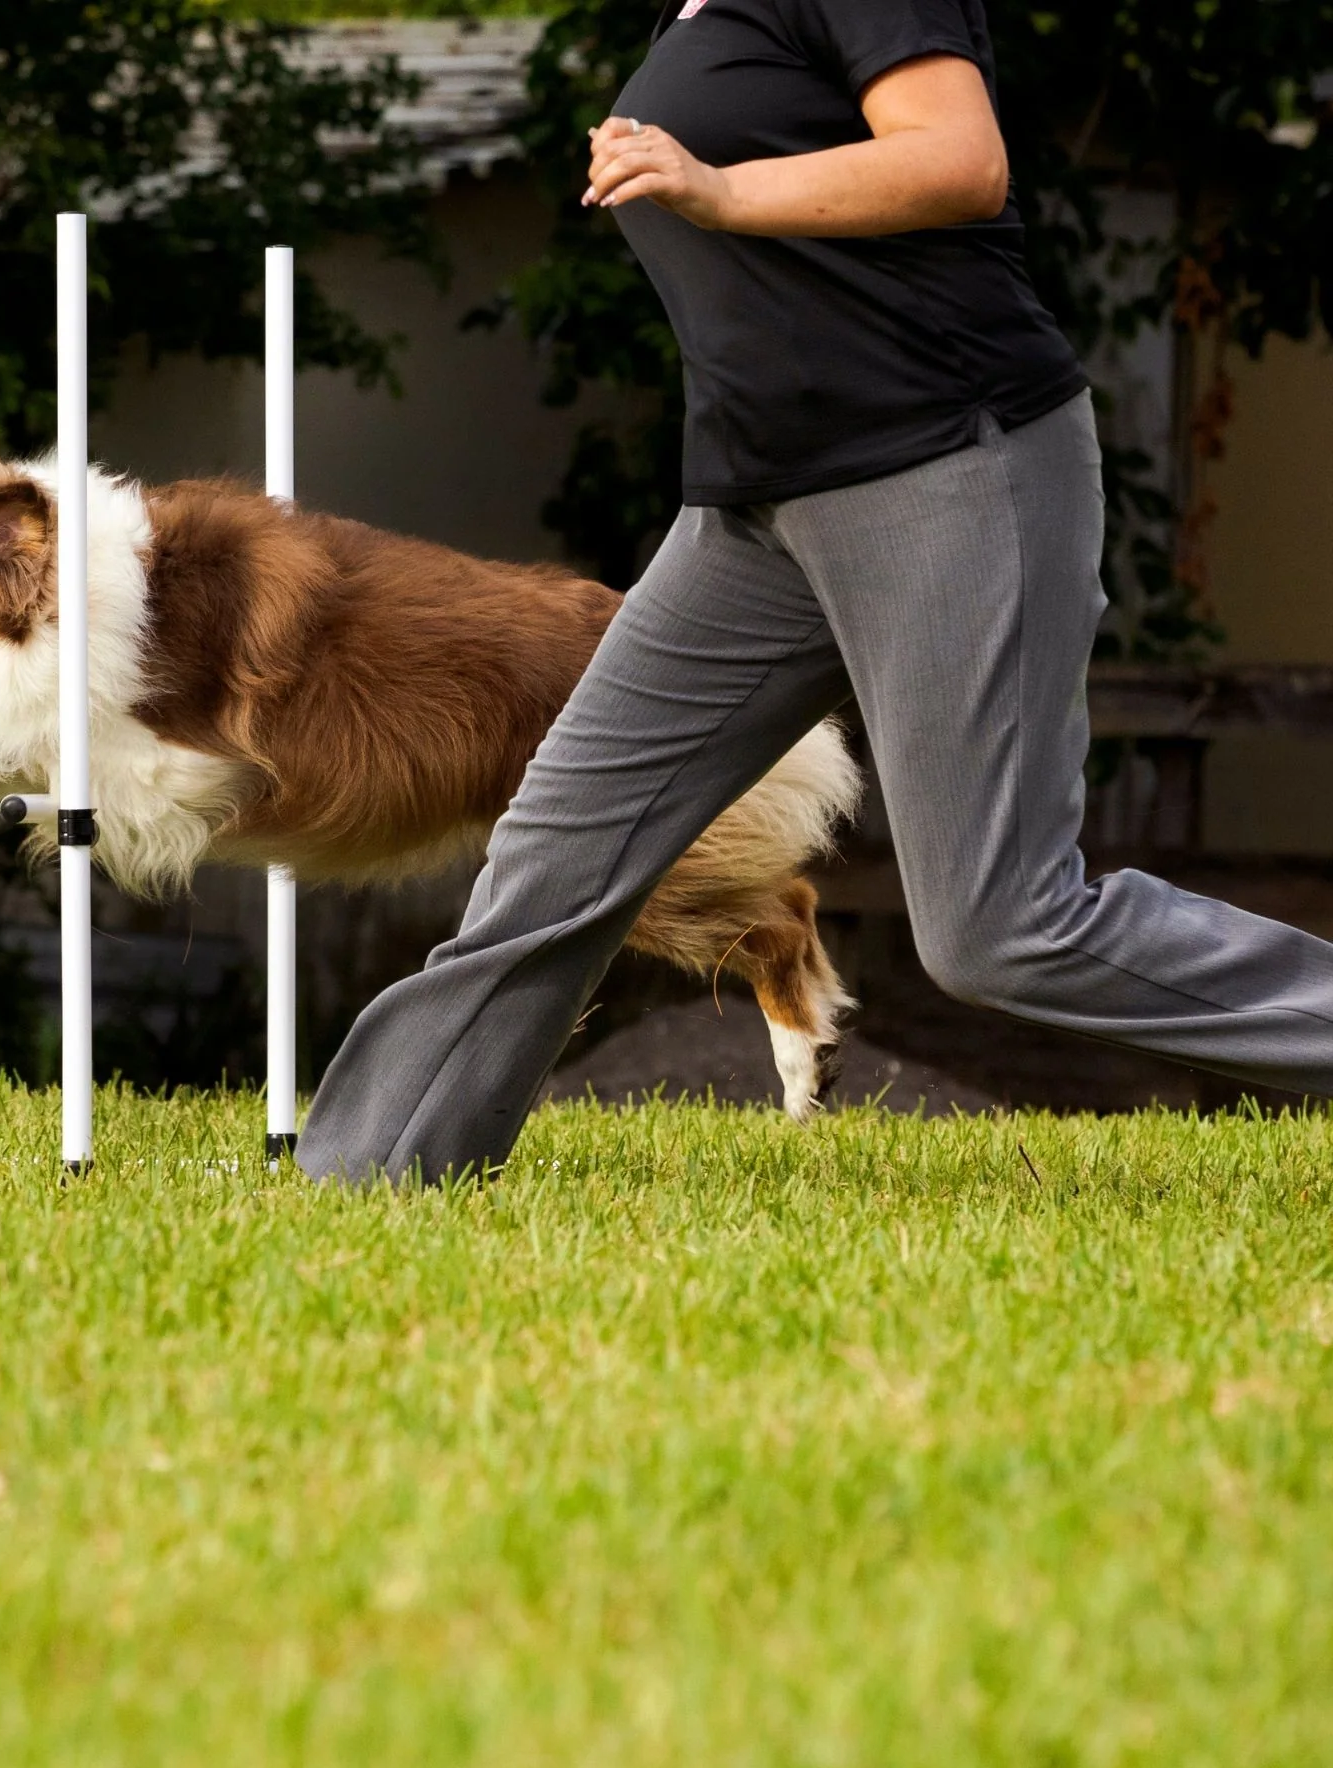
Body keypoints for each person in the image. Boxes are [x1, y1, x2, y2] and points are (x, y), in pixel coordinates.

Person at [297, 0, 1333, 1184]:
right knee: (559, 849)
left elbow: (958, 159)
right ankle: (367, 1171)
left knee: (1001, 927)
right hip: (751, 511)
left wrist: (719, 187)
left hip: (942, 467)